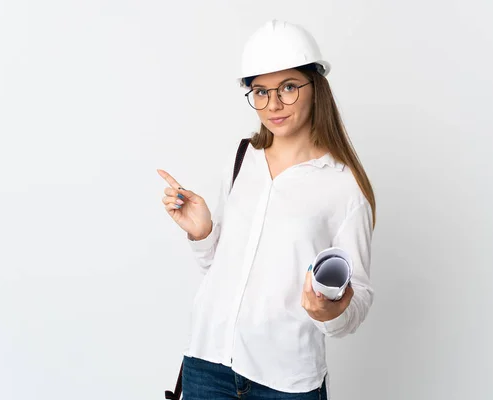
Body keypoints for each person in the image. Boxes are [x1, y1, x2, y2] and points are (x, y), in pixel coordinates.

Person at [157, 19, 376, 400]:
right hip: (207, 364)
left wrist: (331, 311)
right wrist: (203, 233)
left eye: (288, 87)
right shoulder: (243, 158)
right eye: (260, 91)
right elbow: (219, 268)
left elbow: (357, 300)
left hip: (285, 381)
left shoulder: (344, 187)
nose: (272, 104)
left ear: (316, 87)